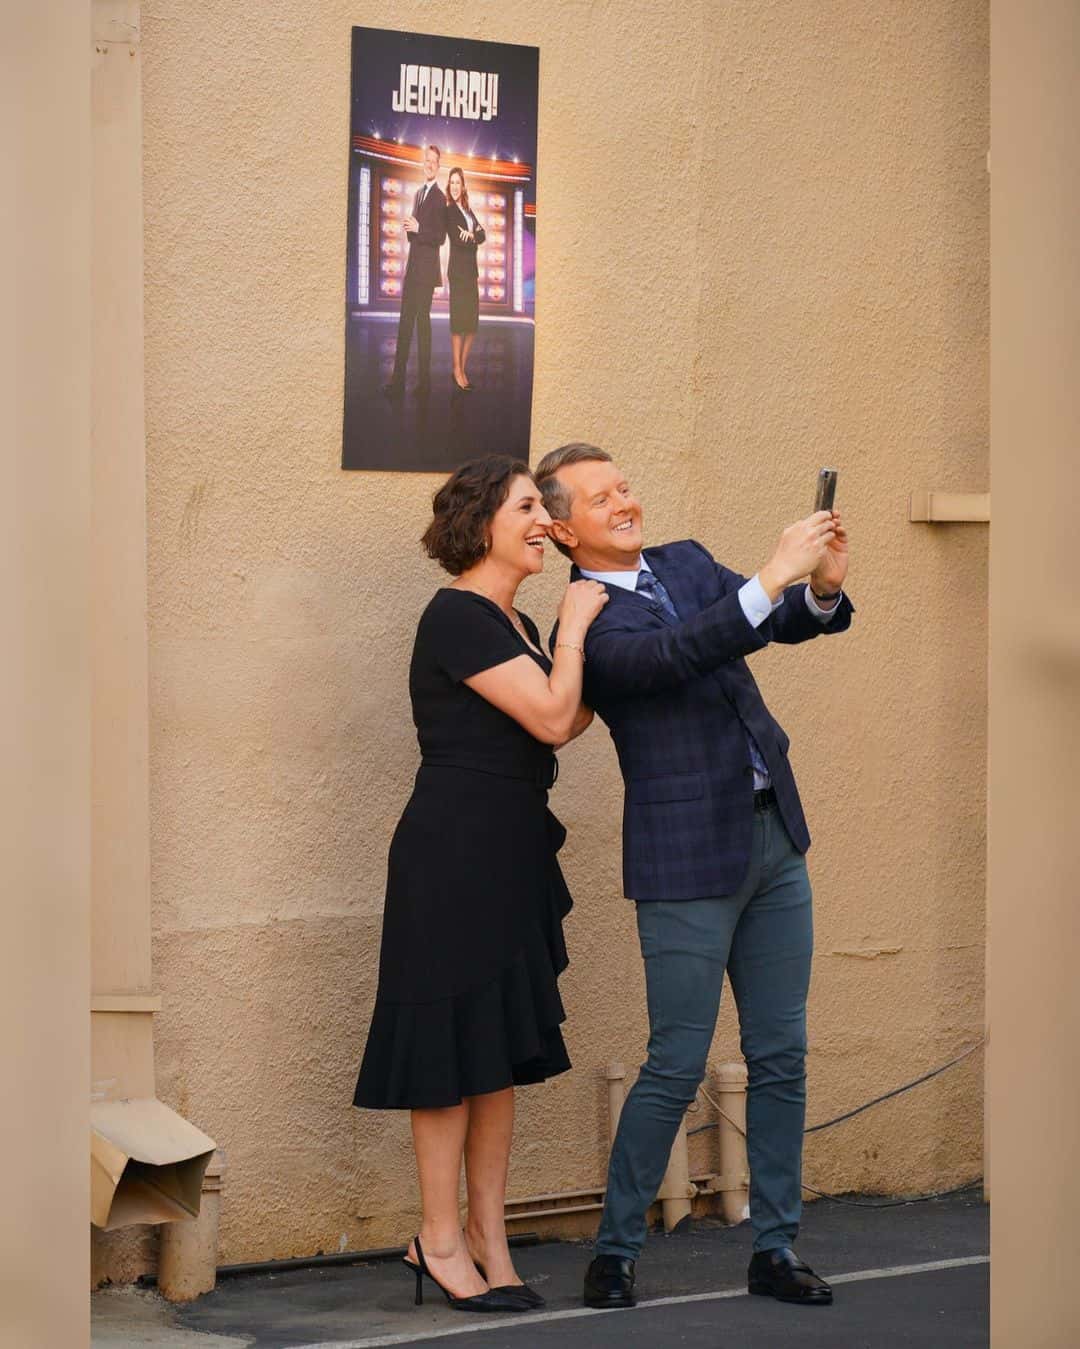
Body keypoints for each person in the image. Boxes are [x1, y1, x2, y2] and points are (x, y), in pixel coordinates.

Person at [534, 442, 854, 1312]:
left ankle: (777, 1247)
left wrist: (816, 586)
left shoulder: (683, 560)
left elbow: (769, 623)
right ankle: (616, 1249)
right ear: (565, 529)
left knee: (781, 1054)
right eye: (602, 498)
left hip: (773, 842)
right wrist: (771, 572)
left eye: (625, 485)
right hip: (685, 857)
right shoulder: (587, 618)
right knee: (675, 1060)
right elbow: (674, 655)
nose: (625, 502)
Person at [353, 455, 607, 1314]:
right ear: (483, 522)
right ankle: (438, 1236)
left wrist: (575, 641)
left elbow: (566, 720)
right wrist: (575, 630)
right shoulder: (458, 616)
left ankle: (492, 1241)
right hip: (452, 854)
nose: (544, 519)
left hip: (511, 849)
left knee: (493, 1052)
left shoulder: (517, 624)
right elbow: (547, 712)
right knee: (447, 1053)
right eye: (529, 506)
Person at [383, 144, 446, 400]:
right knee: (405, 324)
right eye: (426, 160)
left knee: (423, 326)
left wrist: (419, 229)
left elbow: (440, 237)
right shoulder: (418, 193)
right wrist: (410, 229)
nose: (429, 164)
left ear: (438, 166)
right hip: (413, 269)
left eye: (434, 161)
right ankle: (397, 381)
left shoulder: (440, 198)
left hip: (426, 273)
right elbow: (416, 235)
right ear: (423, 163)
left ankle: (424, 384)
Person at [444, 167, 486, 393]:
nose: (455, 186)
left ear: (463, 186)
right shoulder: (450, 211)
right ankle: (457, 370)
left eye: (458, 182)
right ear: (449, 187)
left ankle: (461, 367)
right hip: (458, 275)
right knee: (459, 323)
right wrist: (473, 237)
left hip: (471, 274)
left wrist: (472, 235)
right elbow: (458, 240)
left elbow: (483, 234)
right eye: (451, 183)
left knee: (471, 325)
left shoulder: (468, 211)